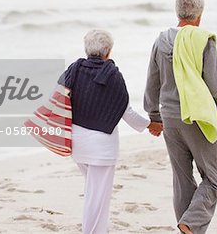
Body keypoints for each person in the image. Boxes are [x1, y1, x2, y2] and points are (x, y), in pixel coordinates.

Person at [60, 29, 162, 234]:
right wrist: (150, 124)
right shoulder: (112, 74)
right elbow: (125, 109)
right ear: (108, 52)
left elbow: (59, 99)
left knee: (93, 192)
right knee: (97, 198)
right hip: (101, 148)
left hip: (77, 143)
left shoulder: (75, 69)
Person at [144, 0, 217, 234]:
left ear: (177, 13)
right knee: (212, 179)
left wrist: (154, 117)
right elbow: (214, 87)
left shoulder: (161, 40)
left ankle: (187, 228)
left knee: (182, 179)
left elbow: (152, 82)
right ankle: (190, 224)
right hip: (196, 116)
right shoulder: (203, 40)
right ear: (199, 15)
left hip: (169, 117)